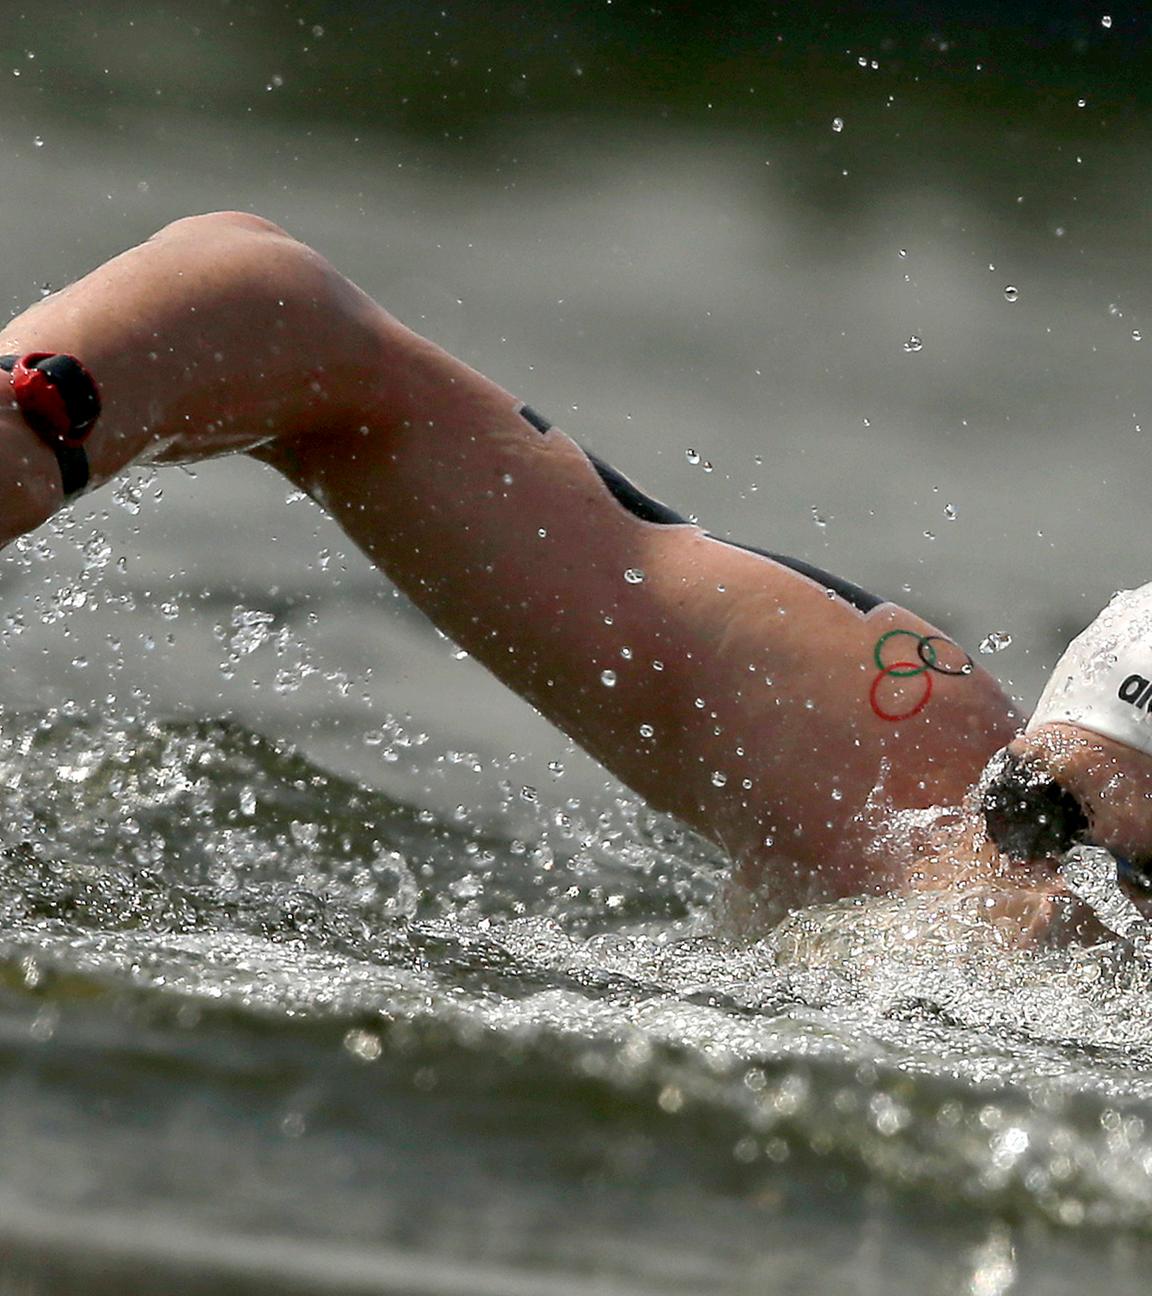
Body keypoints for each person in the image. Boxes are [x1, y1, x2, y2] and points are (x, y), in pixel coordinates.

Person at [0, 212, 1138, 935]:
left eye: (1133, 886)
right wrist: (41, 413)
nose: (1048, 898)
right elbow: (296, 333)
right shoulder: (897, 802)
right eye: (1036, 825)